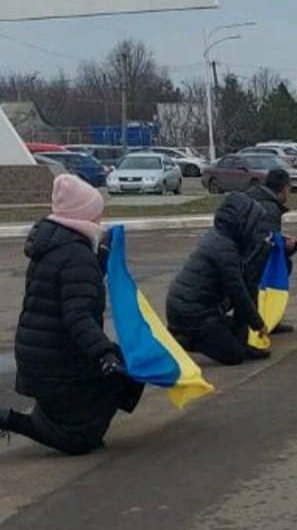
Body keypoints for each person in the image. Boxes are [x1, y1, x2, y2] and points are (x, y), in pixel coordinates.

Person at [1, 174, 143, 456]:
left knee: (120, 370)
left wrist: (98, 264)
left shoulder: (53, 245)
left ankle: (67, 415)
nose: (100, 219)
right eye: (97, 212)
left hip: (39, 356)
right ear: (84, 215)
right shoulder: (75, 254)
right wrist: (105, 355)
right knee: (124, 374)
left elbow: (65, 292)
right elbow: (76, 316)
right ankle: (15, 420)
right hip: (56, 363)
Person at [166, 192, 271, 365]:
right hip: (191, 314)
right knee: (233, 356)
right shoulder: (224, 249)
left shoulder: (223, 239)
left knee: (236, 334)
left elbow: (244, 289)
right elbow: (238, 292)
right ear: (243, 223)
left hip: (201, 308)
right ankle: (183, 339)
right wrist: (258, 324)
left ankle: (238, 344)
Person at [247, 168, 297, 333]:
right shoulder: (270, 209)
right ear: (284, 188)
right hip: (253, 260)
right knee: (282, 267)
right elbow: (267, 245)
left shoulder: (255, 198)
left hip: (245, 254)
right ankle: (267, 318)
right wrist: (289, 247)